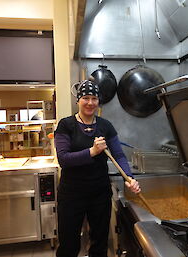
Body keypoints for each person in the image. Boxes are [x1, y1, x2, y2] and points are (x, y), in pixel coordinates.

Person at [54, 80, 141, 257]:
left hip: (99, 194)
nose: (90, 102)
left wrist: (129, 178)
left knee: (99, 243)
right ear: (78, 100)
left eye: (94, 98)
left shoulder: (105, 126)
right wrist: (92, 151)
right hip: (71, 195)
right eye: (85, 97)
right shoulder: (66, 125)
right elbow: (64, 159)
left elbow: (119, 156)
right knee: (69, 245)